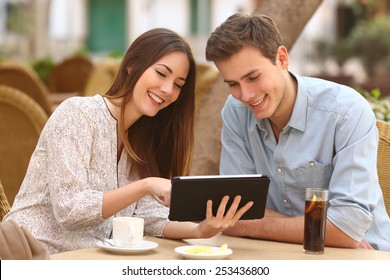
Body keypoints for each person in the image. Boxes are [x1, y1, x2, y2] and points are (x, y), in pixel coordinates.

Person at [3, 28, 253, 254]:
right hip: (31, 255)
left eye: (178, 85)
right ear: (131, 66)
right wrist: (145, 185)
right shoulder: (77, 114)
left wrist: (201, 230)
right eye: (161, 73)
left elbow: (150, 215)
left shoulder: (143, 139)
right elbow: (70, 210)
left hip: (90, 260)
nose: (167, 90)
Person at [205, 13, 390, 251]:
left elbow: (347, 228)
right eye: (233, 84)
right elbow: (232, 210)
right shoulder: (236, 112)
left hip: (365, 260)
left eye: (253, 77)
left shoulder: (346, 112)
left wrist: (245, 225)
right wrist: (321, 229)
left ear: (281, 58)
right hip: (279, 253)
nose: (246, 95)